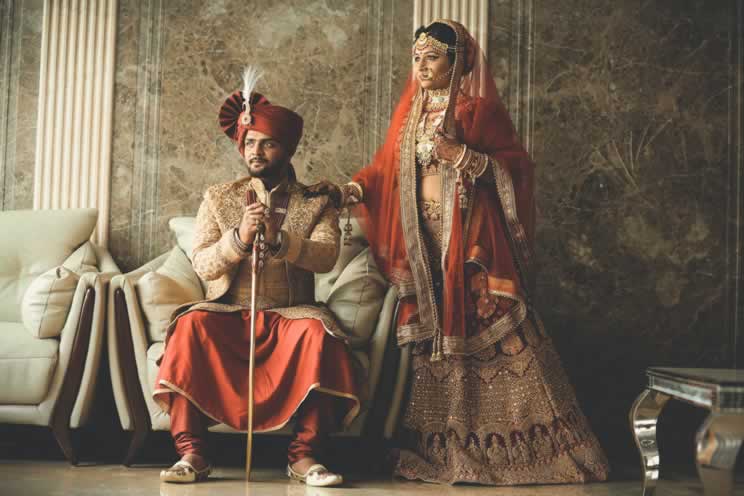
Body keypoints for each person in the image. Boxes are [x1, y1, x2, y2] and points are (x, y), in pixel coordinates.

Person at [308, 20, 610, 485]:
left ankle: (532, 449)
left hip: (469, 242)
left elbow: (516, 169)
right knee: (439, 344)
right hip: (424, 245)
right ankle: (449, 447)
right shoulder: (408, 116)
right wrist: (348, 190)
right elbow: (383, 171)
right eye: (417, 57)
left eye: (432, 57)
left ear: (457, 62)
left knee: (493, 331)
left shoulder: (478, 111)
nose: (421, 66)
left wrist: (463, 156)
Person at [155, 71, 358, 486]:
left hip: (289, 315)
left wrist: (282, 240)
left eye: (268, 143)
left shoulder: (316, 202)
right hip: (229, 313)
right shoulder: (218, 196)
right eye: (250, 143)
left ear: (287, 149)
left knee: (320, 336)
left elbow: (326, 256)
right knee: (189, 326)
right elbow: (203, 264)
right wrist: (238, 238)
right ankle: (192, 454)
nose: (257, 151)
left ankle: (304, 457)